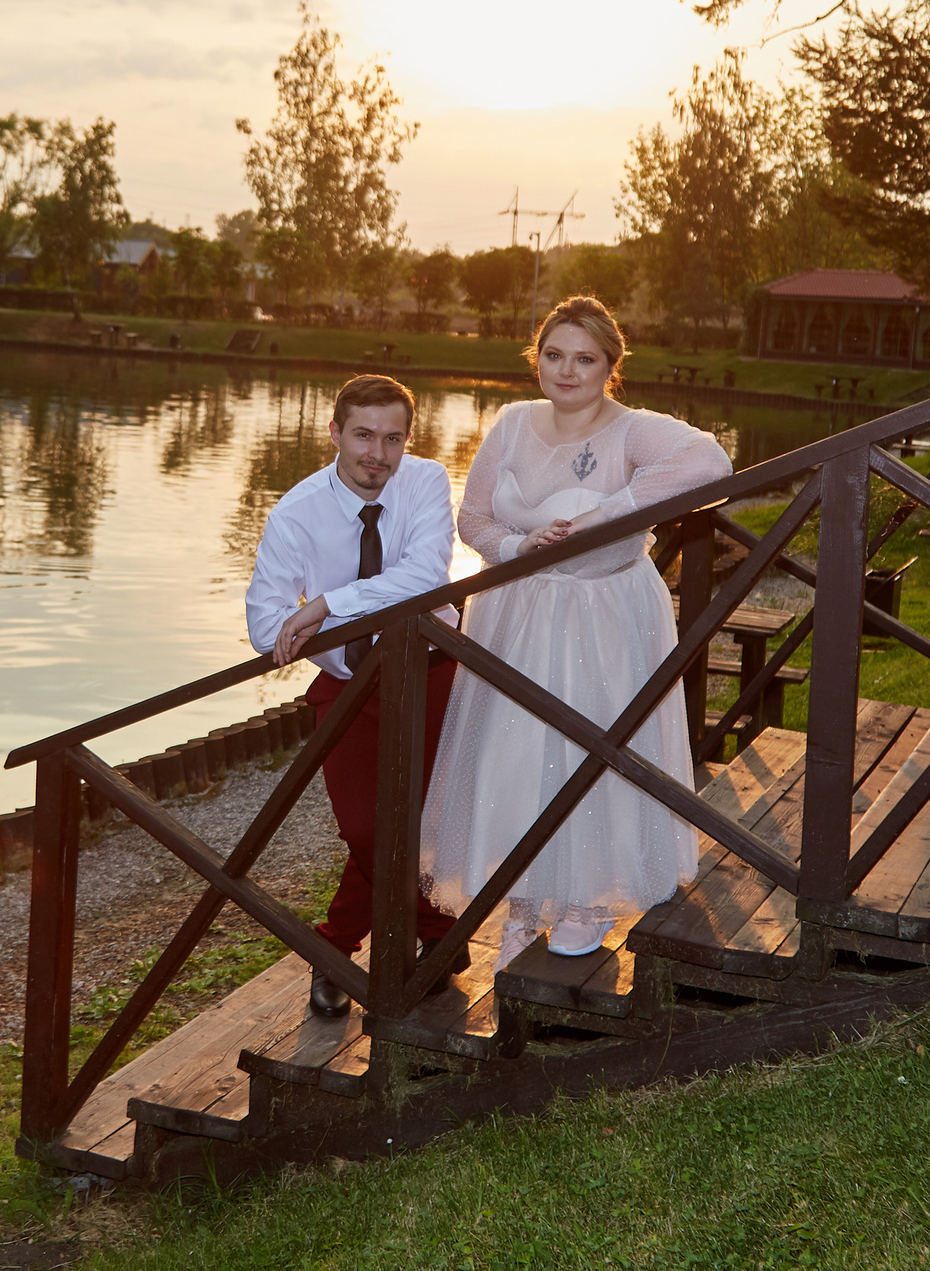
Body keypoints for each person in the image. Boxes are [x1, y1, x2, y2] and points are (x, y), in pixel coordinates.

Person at [420, 296, 733, 966]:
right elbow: (471, 518)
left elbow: (712, 467)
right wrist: (518, 545)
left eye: (585, 358)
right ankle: (523, 900)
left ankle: (585, 897)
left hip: (604, 616)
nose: (567, 371)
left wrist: (608, 514)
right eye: (554, 355)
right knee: (517, 748)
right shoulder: (509, 423)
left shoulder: (633, 429)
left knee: (590, 743)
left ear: (610, 366)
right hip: (517, 611)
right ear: (537, 358)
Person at [246, 373, 467, 1017]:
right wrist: (326, 620)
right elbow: (267, 628)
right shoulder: (295, 513)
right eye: (363, 435)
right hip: (347, 687)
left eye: (392, 438)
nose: (378, 454)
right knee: (369, 829)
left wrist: (328, 605)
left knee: (421, 823)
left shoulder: (424, 482)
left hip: (431, 677)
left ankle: (334, 952)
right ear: (335, 433)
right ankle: (439, 935)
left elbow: (426, 575)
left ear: (407, 440)